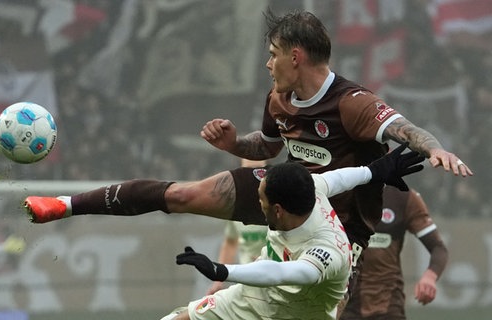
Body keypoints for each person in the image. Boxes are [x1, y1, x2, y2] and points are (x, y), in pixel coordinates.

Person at [24, 8, 470, 289]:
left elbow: (406, 130)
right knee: (180, 195)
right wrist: (233, 144)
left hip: (336, 231)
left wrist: (436, 149)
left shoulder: (352, 104)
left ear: (296, 56)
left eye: (274, 53)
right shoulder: (278, 99)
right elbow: (267, 147)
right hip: (286, 192)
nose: (267, 63)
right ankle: (63, 205)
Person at [160, 146, 423, 320]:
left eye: (260, 199)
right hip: (254, 298)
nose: (256, 203)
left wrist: (223, 271)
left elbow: (282, 273)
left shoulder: (328, 250)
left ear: (278, 209)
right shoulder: (313, 188)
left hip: (296, 314)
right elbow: (341, 178)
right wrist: (375, 171)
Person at [340, 185, 449, 320]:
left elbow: (438, 248)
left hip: (389, 305)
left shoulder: (403, 197)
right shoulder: (340, 193)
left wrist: (429, 278)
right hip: (345, 304)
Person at [206, 159, 268, 295]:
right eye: (249, 171)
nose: (254, 177)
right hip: (248, 283)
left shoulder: (278, 207)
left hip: (276, 280)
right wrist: (218, 281)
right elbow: (230, 242)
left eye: (258, 171)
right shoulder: (237, 209)